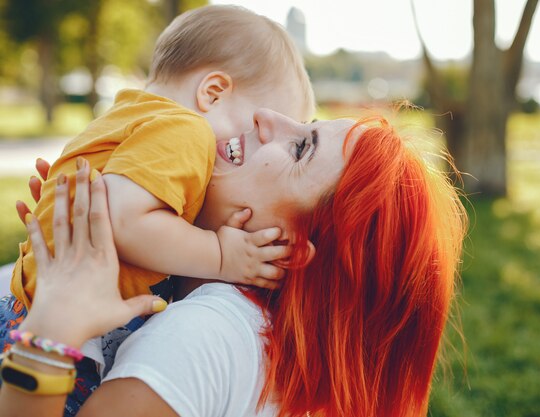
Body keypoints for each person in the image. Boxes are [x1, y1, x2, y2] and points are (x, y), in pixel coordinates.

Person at [0, 109, 467, 417]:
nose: (266, 117)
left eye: (301, 147)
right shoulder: (277, 347)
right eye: (306, 122)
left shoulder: (203, 335)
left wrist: (53, 326)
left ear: (289, 247)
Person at [0, 5, 314, 412]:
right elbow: (126, 220)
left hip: (34, 309)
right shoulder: (185, 129)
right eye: (249, 129)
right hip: (62, 331)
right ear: (213, 92)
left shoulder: (128, 115)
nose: (248, 141)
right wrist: (221, 254)